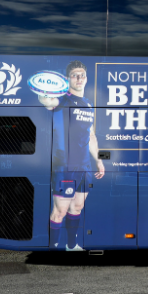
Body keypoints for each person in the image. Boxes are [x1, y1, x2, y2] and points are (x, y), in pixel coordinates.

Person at [42, 61, 105, 251]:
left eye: (82, 75)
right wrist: (42, 90)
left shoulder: (89, 105)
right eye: (75, 75)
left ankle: (71, 245)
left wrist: (99, 161)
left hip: (84, 167)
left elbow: (91, 136)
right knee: (60, 210)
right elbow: (46, 101)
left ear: (86, 78)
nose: (79, 78)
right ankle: (53, 248)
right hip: (65, 166)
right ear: (68, 78)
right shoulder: (61, 100)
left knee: (77, 207)